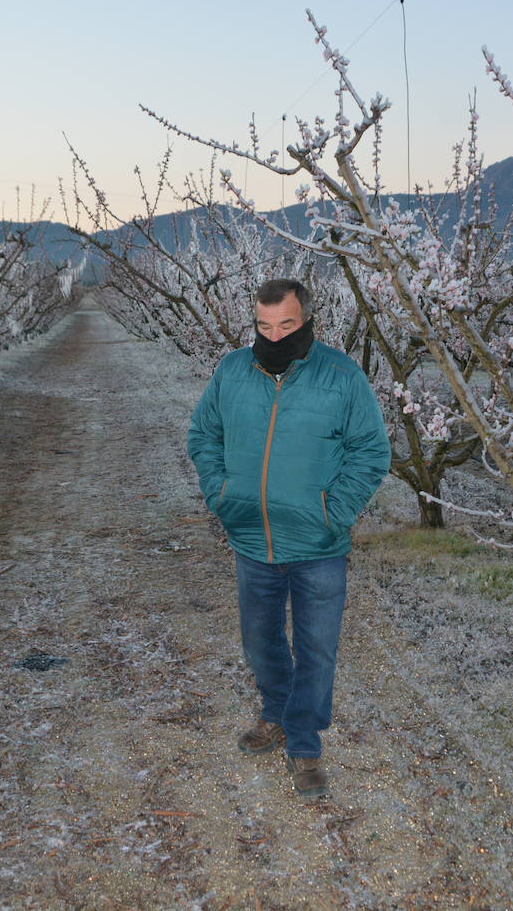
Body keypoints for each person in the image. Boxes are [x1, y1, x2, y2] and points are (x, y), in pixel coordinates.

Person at [187, 278, 390, 798]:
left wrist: (333, 512)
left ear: (307, 320)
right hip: (252, 539)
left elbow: (371, 451)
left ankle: (303, 742)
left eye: (286, 326)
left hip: (318, 545)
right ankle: (275, 713)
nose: (274, 337)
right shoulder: (233, 370)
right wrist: (221, 492)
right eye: (264, 326)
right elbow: (203, 434)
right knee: (260, 641)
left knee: (317, 649)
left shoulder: (341, 377)